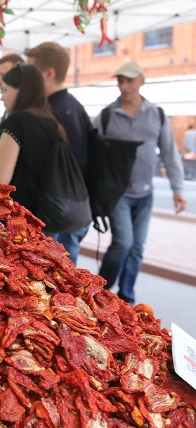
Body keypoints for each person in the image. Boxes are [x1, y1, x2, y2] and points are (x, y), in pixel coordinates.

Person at [94, 61, 186, 304]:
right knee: (124, 242)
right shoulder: (106, 116)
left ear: (142, 80)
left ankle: (126, 299)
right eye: (120, 81)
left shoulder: (156, 114)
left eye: (129, 80)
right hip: (118, 194)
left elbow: (169, 153)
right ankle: (99, 293)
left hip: (146, 194)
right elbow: (89, 151)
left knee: (137, 248)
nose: (124, 86)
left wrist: (178, 190)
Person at [25, 41, 93, 264]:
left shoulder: (46, 112)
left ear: (49, 73)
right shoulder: (76, 106)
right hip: (77, 209)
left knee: (51, 283)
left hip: (52, 214)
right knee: (68, 278)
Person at [0, 64, 68, 225]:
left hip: (21, 217)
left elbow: (0, 178)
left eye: (5, 90)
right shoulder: (51, 121)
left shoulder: (16, 122)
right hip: (48, 212)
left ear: (21, 91)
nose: (2, 97)